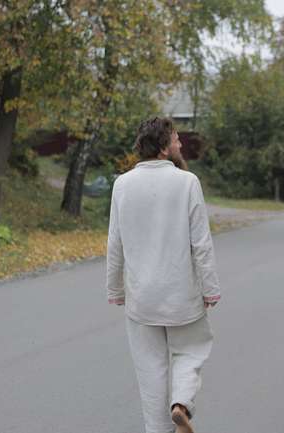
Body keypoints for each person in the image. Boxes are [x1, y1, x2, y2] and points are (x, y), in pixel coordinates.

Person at [106, 117, 221, 433]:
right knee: (191, 350)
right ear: (163, 145)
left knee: (150, 369)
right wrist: (210, 288)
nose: (180, 144)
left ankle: (158, 429)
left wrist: (115, 289)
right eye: (176, 138)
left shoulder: (122, 184)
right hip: (181, 292)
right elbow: (201, 242)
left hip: (141, 296)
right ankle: (181, 402)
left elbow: (115, 241)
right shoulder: (187, 182)